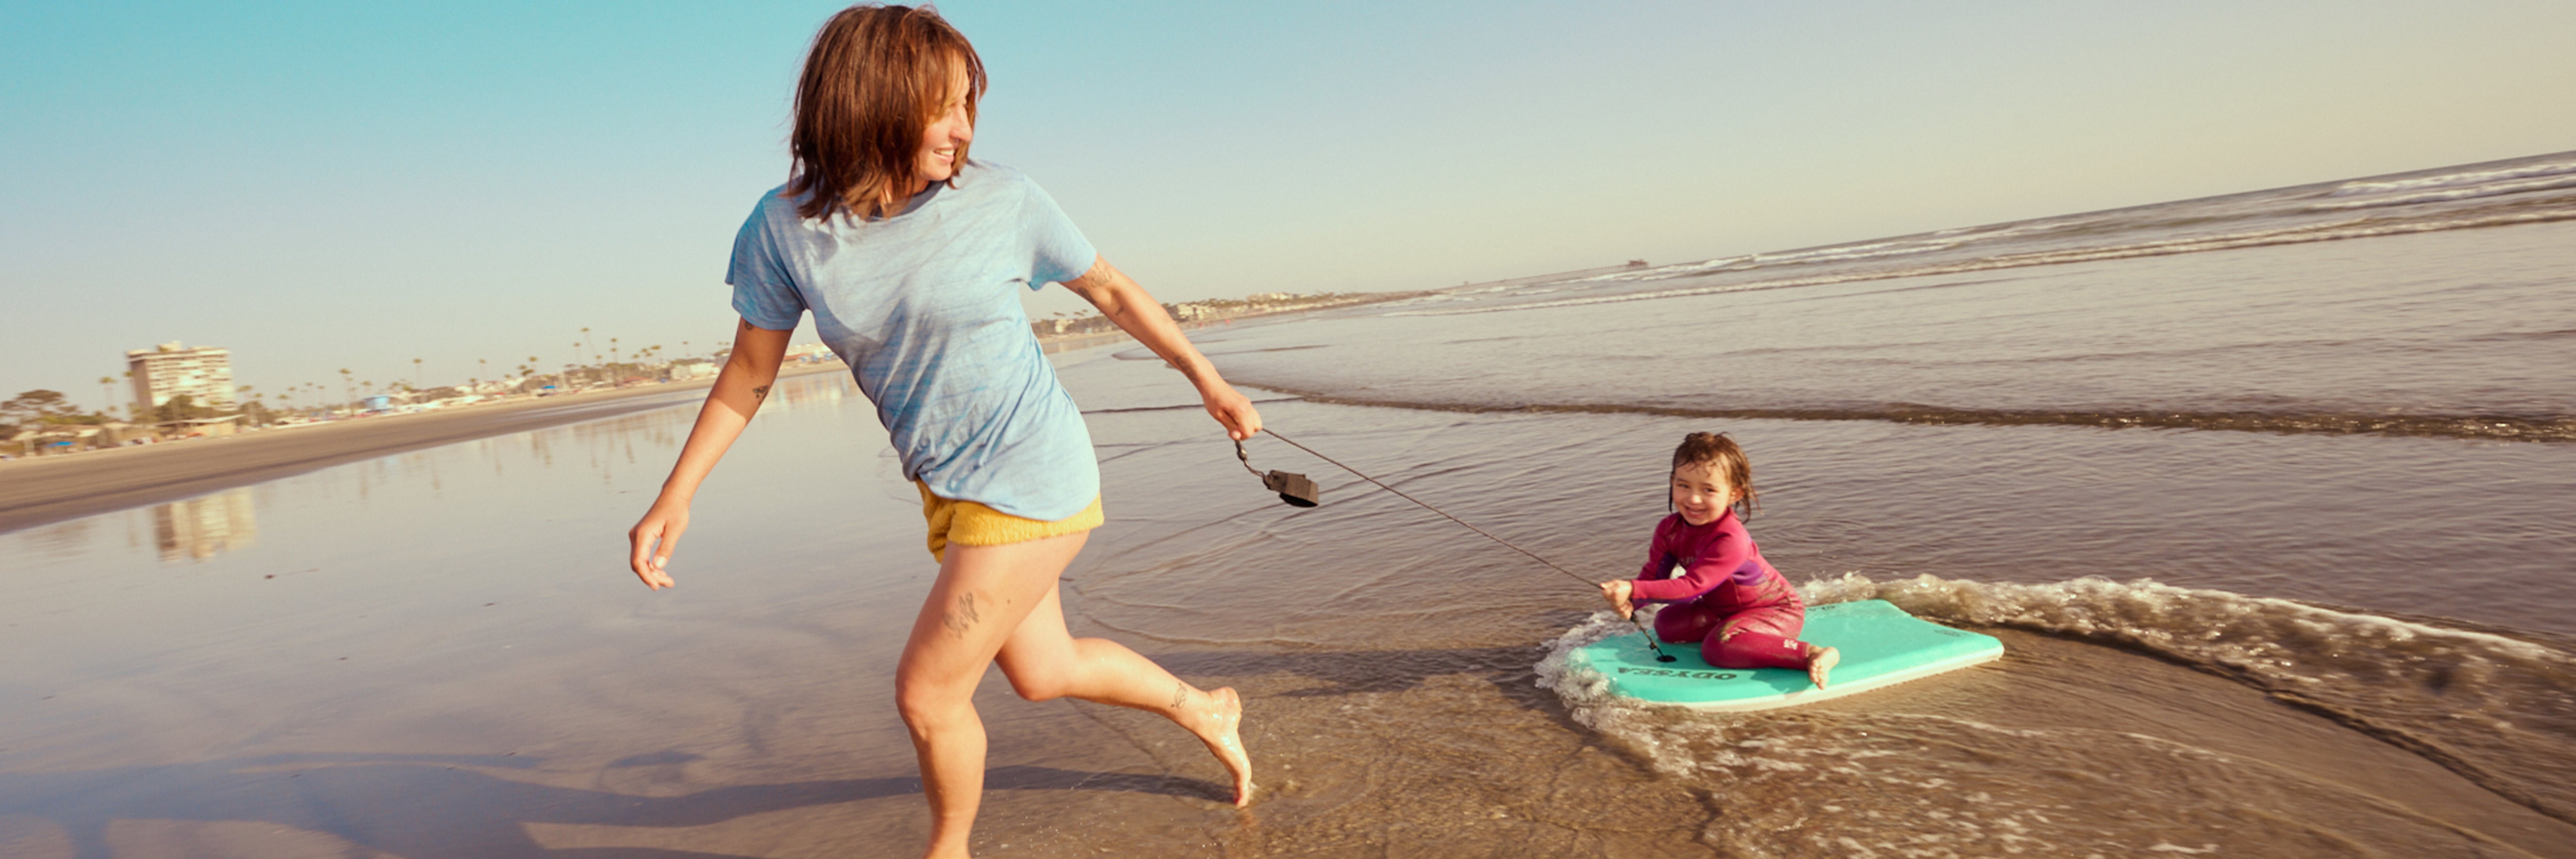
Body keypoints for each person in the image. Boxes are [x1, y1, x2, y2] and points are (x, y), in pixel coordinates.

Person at [622, 6, 1256, 856]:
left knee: (927, 695)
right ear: (869, 104)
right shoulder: (784, 231)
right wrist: (677, 494)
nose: (962, 130)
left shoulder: (1005, 200)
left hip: (1032, 474)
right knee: (1044, 669)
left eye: (970, 106)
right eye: (942, 107)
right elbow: (750, 370)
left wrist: (1204, 377)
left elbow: (1108, 289)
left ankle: (948, 850)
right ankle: (1203, 706)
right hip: (949, 487)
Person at [1598, 432, 1839, 689]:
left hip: (1775, 610)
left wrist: (1633, 588)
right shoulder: (1669, 530)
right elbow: (1654, 578)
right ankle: (1738, 633)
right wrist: (1634, 600)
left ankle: (1813, 653)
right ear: (1672, 482)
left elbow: (1693, 588)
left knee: (1718, 648)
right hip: (1720, 610)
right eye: (1683, 486)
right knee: (1667, 626)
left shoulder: (1730, 538)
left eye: (1709, 490)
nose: (1693, 499)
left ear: (1734, 493)